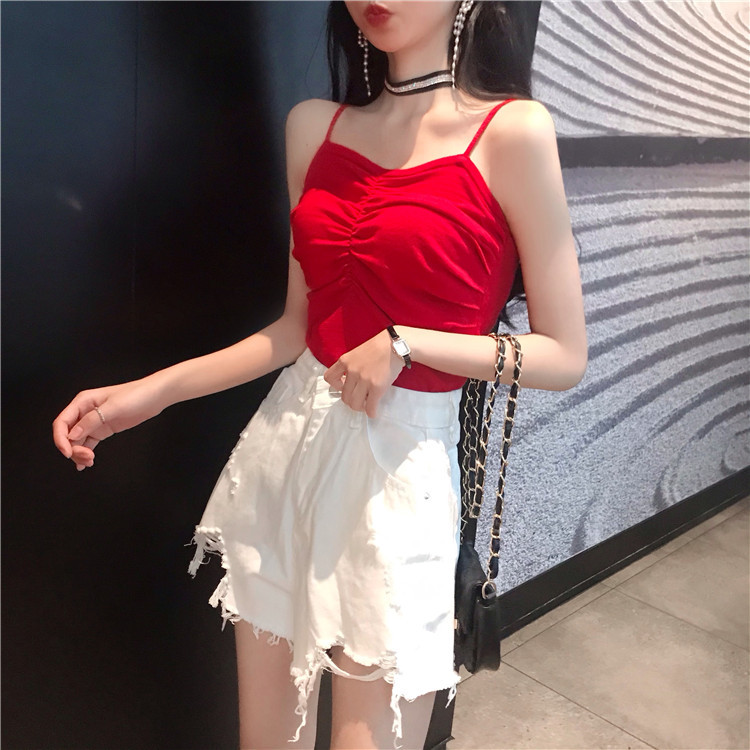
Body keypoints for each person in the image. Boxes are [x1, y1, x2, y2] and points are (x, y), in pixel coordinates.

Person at [52, 1, 588, 748]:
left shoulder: (514, 132)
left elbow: (564, 353)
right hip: (286, 454)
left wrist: (408, 344)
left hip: (399, 480)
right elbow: (295, 330)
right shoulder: (315, 127)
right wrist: (151, 392)